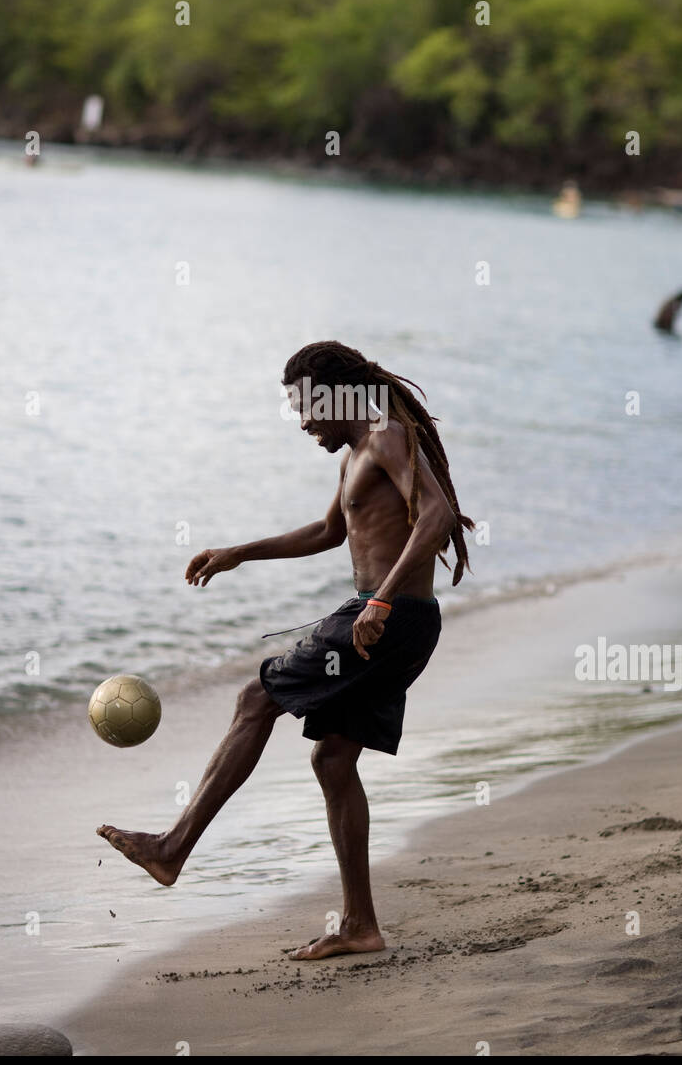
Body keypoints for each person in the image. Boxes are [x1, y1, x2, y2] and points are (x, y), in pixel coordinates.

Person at [97, 340, 474, 960]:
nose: (302, 423)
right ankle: (360, 926)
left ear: (332, 395)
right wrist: (240, 552)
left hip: (388, 616)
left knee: (254, 699)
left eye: (304, 407)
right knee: (332, 762)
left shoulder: (384, 434)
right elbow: (330, 532)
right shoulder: (356, 452)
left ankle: (172, 849)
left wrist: (379, 601)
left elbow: (437, 514)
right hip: (401, 619)